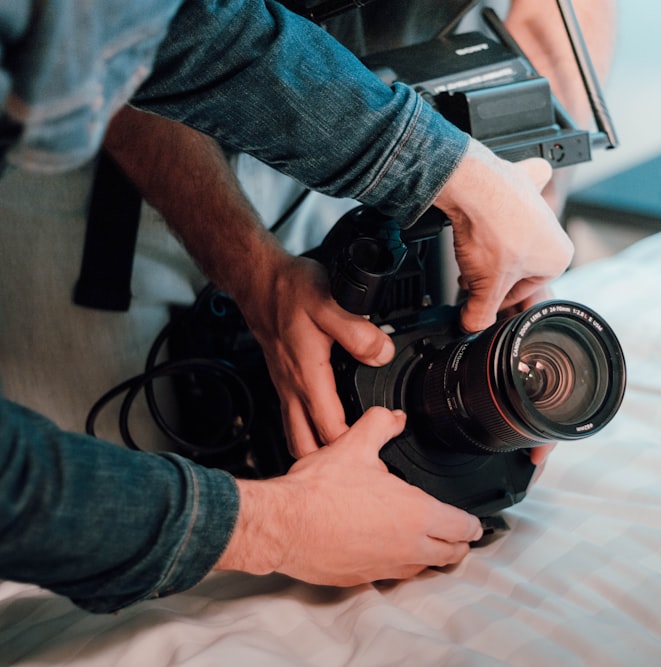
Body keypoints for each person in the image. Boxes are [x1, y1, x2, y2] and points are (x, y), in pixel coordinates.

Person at [0, 0, 614, 613]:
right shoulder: (65, 56)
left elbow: (190, 31)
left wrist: (487, 194)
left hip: (350, 98)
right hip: (120, 173)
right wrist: (272, 527)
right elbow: (21, 491)